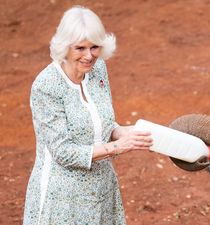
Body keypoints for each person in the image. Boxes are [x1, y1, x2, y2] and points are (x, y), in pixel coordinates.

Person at [23, 5, 153, 224]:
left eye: (94, 47)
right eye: (80, 48)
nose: (89, 56)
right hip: (63, 199)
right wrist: (119, 147)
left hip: (101, 189)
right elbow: (64, 153)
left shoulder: (97, 70)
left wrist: (124, 132)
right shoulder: (46, 86)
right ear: (65, 47)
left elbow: (103, 123)